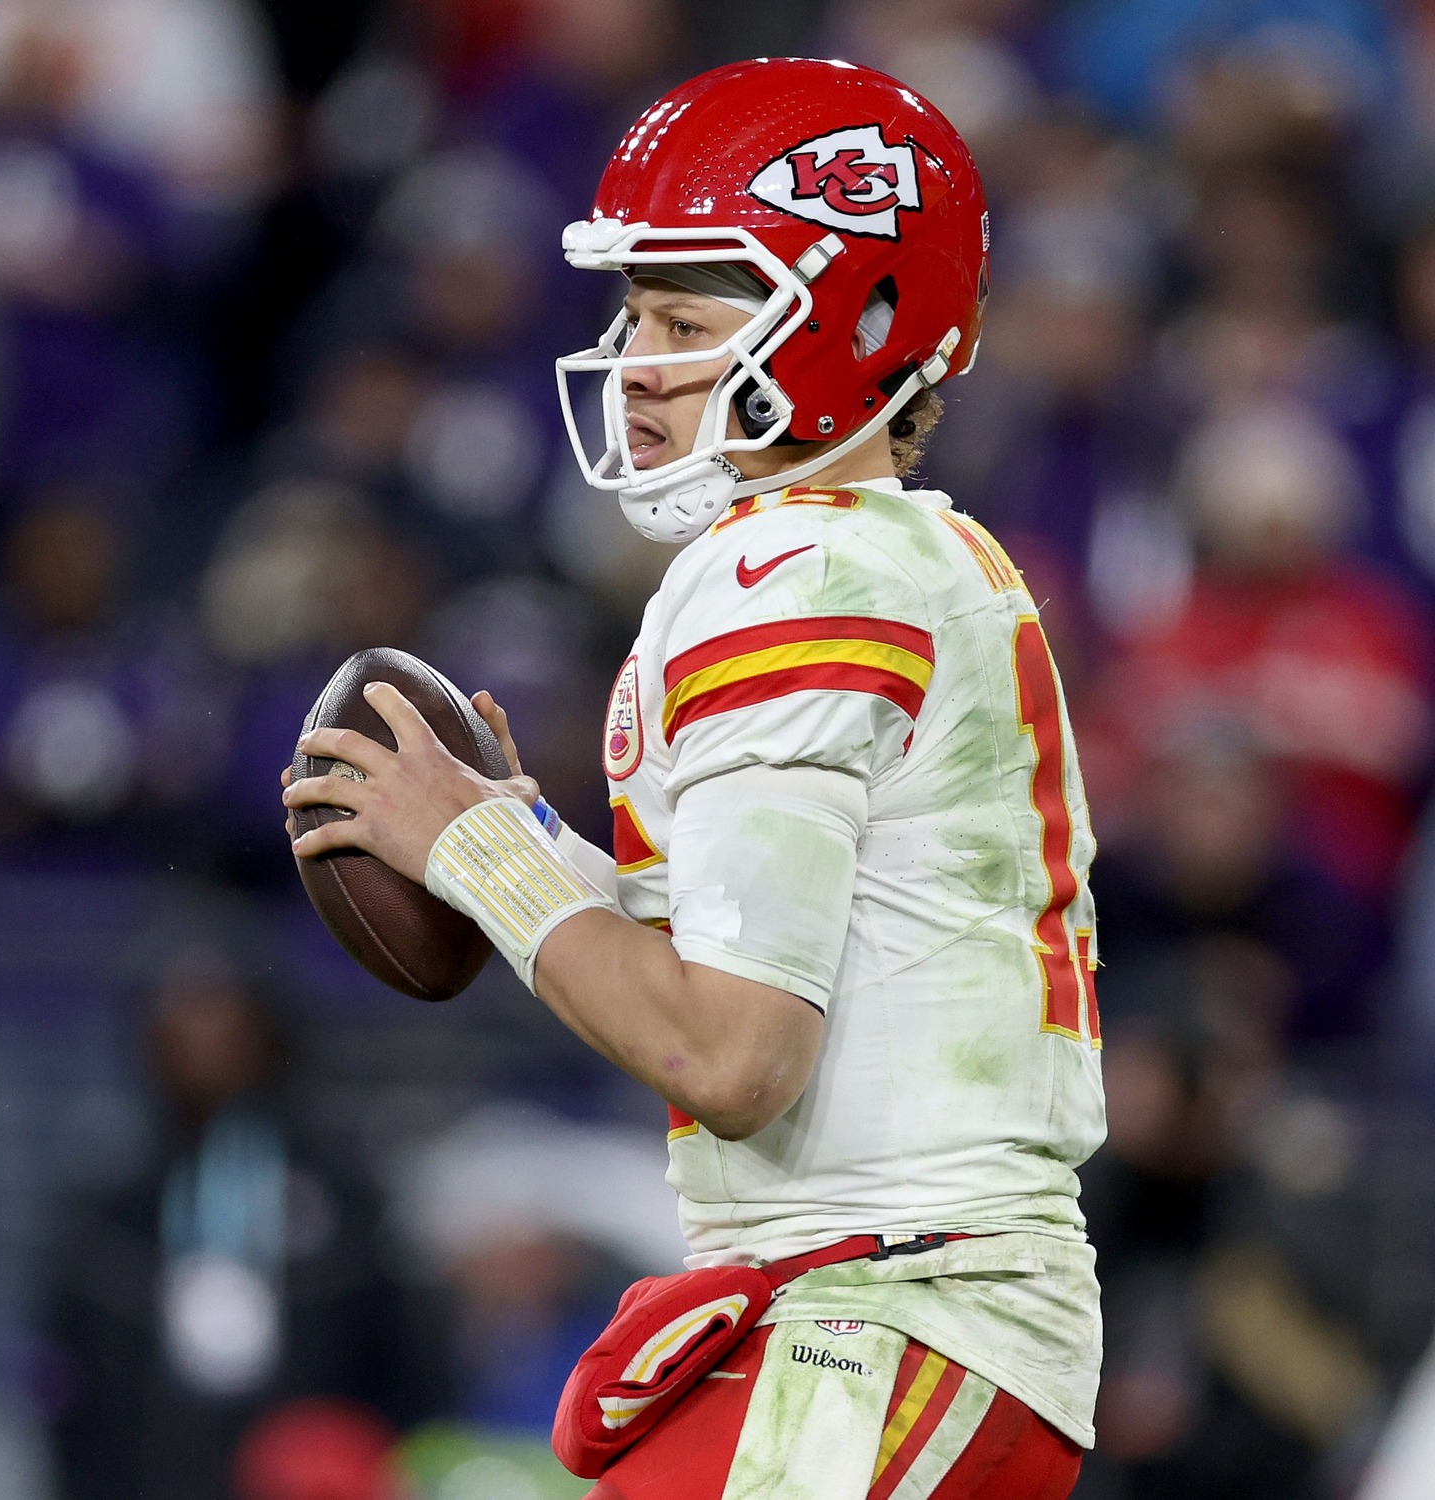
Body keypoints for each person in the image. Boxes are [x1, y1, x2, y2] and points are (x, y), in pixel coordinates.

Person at [284, 59, 1098, 1499]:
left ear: (863, 325)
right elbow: (802, 971)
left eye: (683, 318)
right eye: (631, 311)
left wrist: (482, 855)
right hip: (892, 1311)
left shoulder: (786, 571)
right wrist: (535, 845)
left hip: (889, 1317)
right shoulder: (898, 551)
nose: (636, 359)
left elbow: (733, 1059)